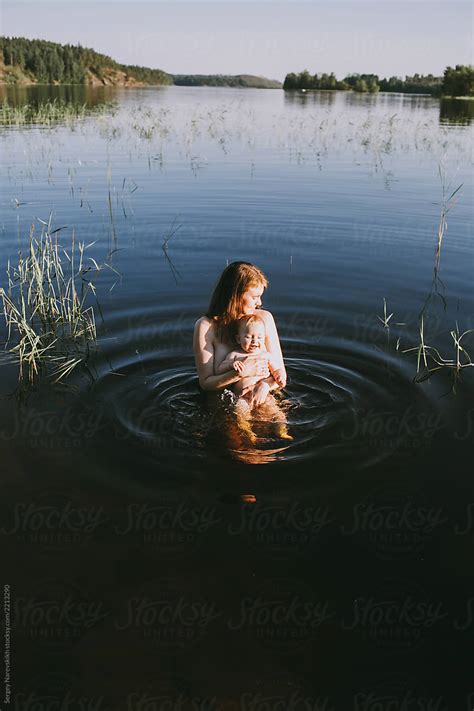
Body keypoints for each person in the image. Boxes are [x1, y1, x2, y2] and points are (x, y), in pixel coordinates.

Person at [193, 261, 290, 443]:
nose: (259, 302)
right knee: (241, 450)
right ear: (236, 295)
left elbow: (280, 373)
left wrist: (265, 386)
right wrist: (237, 374)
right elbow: (206, 383)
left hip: (263, 394)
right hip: (225, 402)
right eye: (254, 297)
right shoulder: (206, 327)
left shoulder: (264, 319)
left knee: (279, 444)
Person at [216, 313, 291, 441]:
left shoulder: (265, 355)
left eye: (259, 337)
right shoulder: (235, 355)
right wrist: (232, 365)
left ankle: (282, 431)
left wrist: (279, 376)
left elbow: (277, 369)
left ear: (263, 339)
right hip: (242, 397)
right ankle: (249, 433)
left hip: (264, 395)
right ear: (238, 339)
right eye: (249, 337)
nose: (254, 341)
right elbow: (219, 369)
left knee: (277, 413)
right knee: (240, 413)